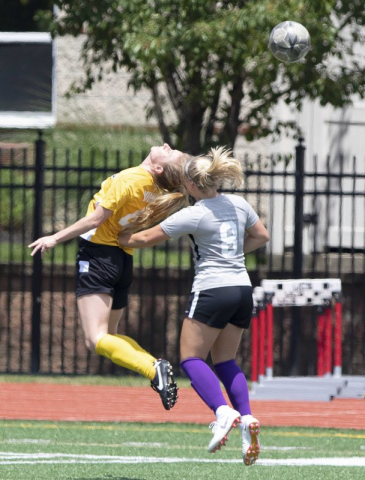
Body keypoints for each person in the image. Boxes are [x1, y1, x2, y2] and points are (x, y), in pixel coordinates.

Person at [119, 147, 269, 465]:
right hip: (242, 289)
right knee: (226, 360)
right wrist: (233, 254)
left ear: (189, 183)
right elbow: (261, 235)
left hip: (213, 290)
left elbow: (145, 239)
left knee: (190, 359)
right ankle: (247, 417)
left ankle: (223, 412)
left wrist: (113, 236)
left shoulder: (195, 213)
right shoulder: (239, 204)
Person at [29, 143, 190, 411]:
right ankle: (155, 366)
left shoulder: (130, 179)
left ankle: (153, 368)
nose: (167, 145)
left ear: (159, 167)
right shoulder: (155, 190)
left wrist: (54, 237)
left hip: (98, 257)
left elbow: (95, 220)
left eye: (170, 152)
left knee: (95, 339)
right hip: (122, 261)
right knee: (109, 336)